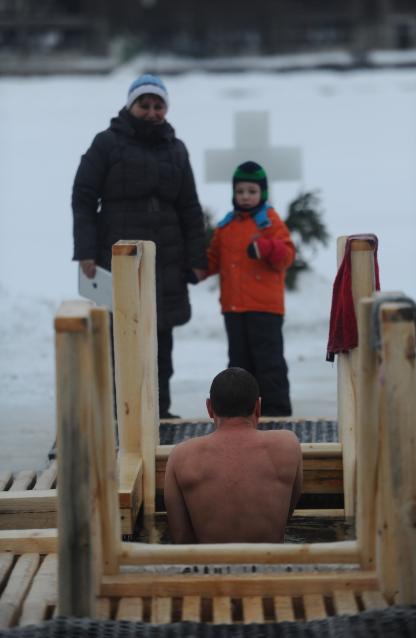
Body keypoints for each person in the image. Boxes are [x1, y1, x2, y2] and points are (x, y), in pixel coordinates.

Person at [72, 74, 207, 418]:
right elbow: (84, 198)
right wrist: (86, 252)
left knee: (161, 340)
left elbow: (189, 206)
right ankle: (122, 413)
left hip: (166, 257)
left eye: (157, 105)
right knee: (122, 338)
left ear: (165, 108)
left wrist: (197, 257)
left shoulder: (176, 148)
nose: (150, 111)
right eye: (144, 104)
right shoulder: (106, 143)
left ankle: (159, 412)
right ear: (130, 105)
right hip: (117, 257)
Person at [164, 367, 303, 543]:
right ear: (258, 406)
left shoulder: (182, 456)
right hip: (270, 566)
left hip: (210, 567)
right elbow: (286, 513)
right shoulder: (287, 446)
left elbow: (181, 539)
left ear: (209, 408)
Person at [204, 161, 295, 416]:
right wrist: (194, 270)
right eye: (240, 191)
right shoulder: (226, 226)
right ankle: (239, 416)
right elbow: (213, 258)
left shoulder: (271, 222)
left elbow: (287, 255)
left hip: (265, 308)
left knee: (269, 364)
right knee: (238, 366)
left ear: (262, 193)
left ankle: (277, 413)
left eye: (252, 191)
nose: (245, 196)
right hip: (234, 308)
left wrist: (267, 247)